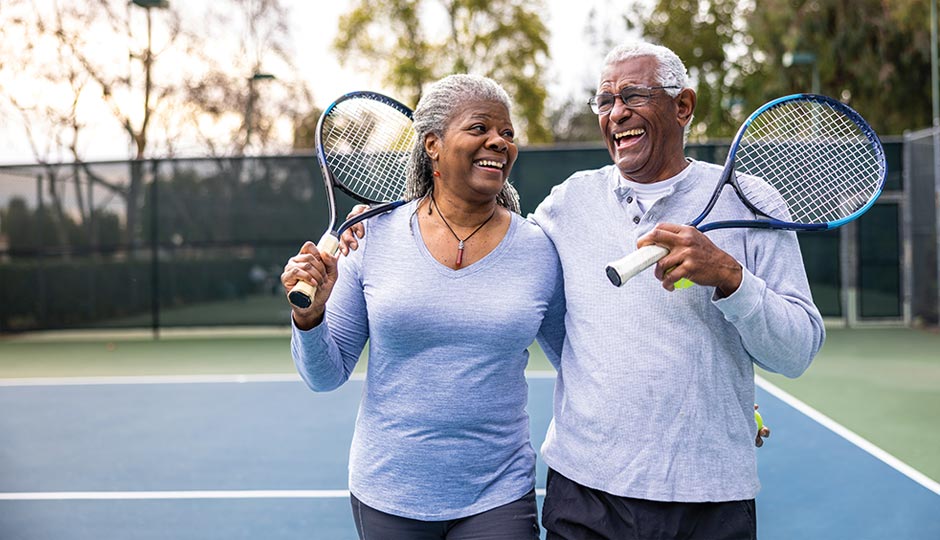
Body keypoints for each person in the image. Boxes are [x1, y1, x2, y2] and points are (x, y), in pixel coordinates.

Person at [529, 41, 825, 539]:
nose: (616, 113)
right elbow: (519, 281)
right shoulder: (568, 202)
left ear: (682, 106)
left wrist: (730, 277)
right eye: (605, 101)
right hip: (585, 491)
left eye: (633, 95)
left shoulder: (751, 201)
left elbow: (797, 351)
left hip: (711, 495)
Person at [280, 74, 566, 539]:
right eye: (479, 128)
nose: (499, 141)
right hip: (389, 491)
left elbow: (575, 361)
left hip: (498, 493)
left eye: (508, 133)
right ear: (432, 144)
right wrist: (309, 317)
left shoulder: (537, 249)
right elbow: (324, 375)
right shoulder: (370, 236)